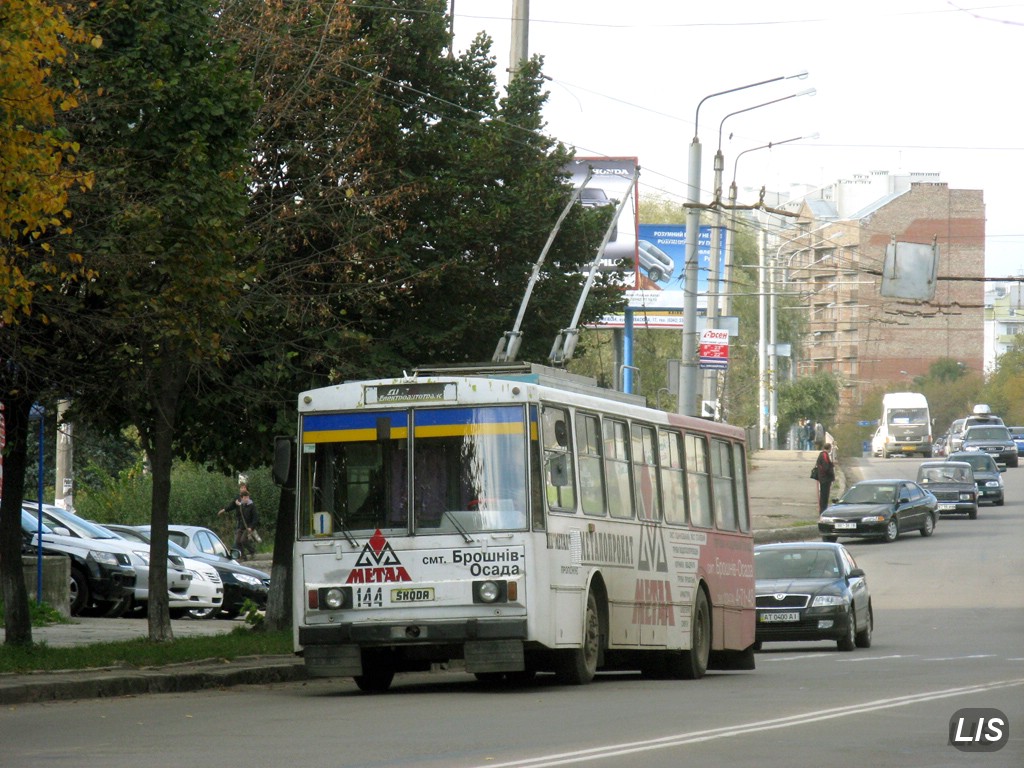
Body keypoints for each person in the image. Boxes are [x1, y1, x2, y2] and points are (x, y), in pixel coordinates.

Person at [219, 485, 259, 559]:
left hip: (248, 526)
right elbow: (232, 506)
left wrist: (251, 527)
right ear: (242, 498)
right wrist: (224, 510)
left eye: (247, 497)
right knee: (237, 541)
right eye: (245, 498)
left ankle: (252, 551)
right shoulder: (240, 504)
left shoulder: (251, 505)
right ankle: (243, 556)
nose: (246, 499)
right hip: (241, 525)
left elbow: (255, 518)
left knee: (243, 540)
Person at [815, 442, 836, 513]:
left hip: (822, 478)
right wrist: (831, 467)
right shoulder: (824, 455)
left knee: (823, 495)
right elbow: (826, 467)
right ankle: (823, 510)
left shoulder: (822, 454)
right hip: (825, 479)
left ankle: (822, 510)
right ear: (829, 448)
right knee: (824, 496)